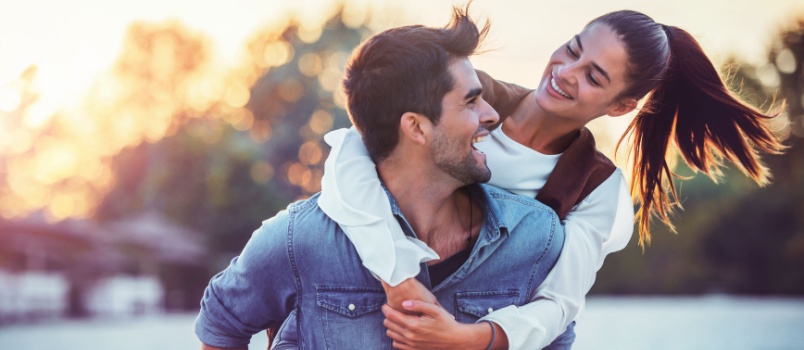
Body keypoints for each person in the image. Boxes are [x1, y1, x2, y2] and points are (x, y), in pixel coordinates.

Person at [302, 8, 786, 349]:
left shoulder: (596, 189)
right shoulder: (466, 94)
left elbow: (558, 304)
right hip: (362, 312)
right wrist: (398, 278)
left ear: (619, 107)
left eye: (595, 77)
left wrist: (470, 339)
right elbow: (350, 155)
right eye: (573, 49)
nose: (567, 72)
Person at [195, 6, 572, 350]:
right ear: (416, 128)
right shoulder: (301, 240)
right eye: (471, 101)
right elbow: (221, 320)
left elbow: (556, 338)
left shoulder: (537, 237)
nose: (491, 114)